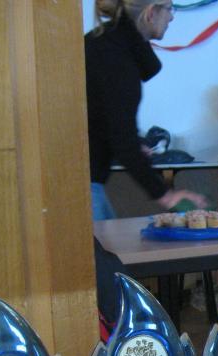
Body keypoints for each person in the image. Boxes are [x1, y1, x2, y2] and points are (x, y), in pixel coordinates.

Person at [84, 0, 205, 220]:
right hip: (82, 184)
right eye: (169, 8)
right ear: (151, 13)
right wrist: (166, 195)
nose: (172, 17)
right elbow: (121, 139)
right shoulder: (116, 58)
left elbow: (102, 120)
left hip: (86, 181)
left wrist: (135, 142)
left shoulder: (103, 44)